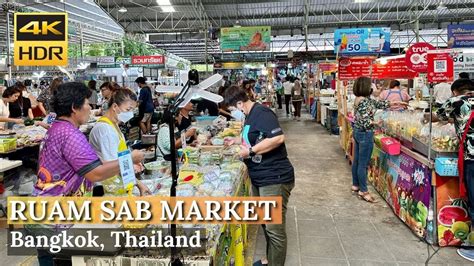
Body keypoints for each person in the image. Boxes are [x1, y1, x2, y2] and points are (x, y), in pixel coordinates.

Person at [32, 82, 144, 265]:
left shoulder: (57, 129)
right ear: (74, 108)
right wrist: (129, 159)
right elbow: (96, 173)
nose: (90, 108)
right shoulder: (70, 135)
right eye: (86, 103)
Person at [224, 85, 294, 266]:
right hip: (261, 177)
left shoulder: (262, 113)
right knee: (266, 222)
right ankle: (269, 259)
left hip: (274, 176)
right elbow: (255, 136)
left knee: (274, 229)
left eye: (232, 109)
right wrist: (236, 140)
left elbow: (277, 138)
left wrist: (250, 152)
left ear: (240, 103)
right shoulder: (250, 115)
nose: (233, 112)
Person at [422, 79, 474, 261]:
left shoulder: (457, 101)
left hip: (471, 158)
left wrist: (427, 117)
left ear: (454, 91)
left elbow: (438, 117)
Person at [352, 77, 407, 203]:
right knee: (363, 164)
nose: (373, 88)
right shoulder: (364, 101)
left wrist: (396, 103)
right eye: (371, 85)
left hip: (358, 132)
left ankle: (356, 185)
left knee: (357, 160)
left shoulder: (361, 99)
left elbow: (378, 104)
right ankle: (364, 191)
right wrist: (377, 123)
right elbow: (366, 121)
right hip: (365, 134)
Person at [89, 88, 149, 196]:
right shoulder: (105, 130)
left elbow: (119, 157)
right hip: (108, 188)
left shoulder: (114, 125)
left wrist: (132, 163)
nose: (130, 114)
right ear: (115, 106)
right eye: (128, 109)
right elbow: (113, 165)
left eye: (132, 110)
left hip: (118, 183)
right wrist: (131, 160)